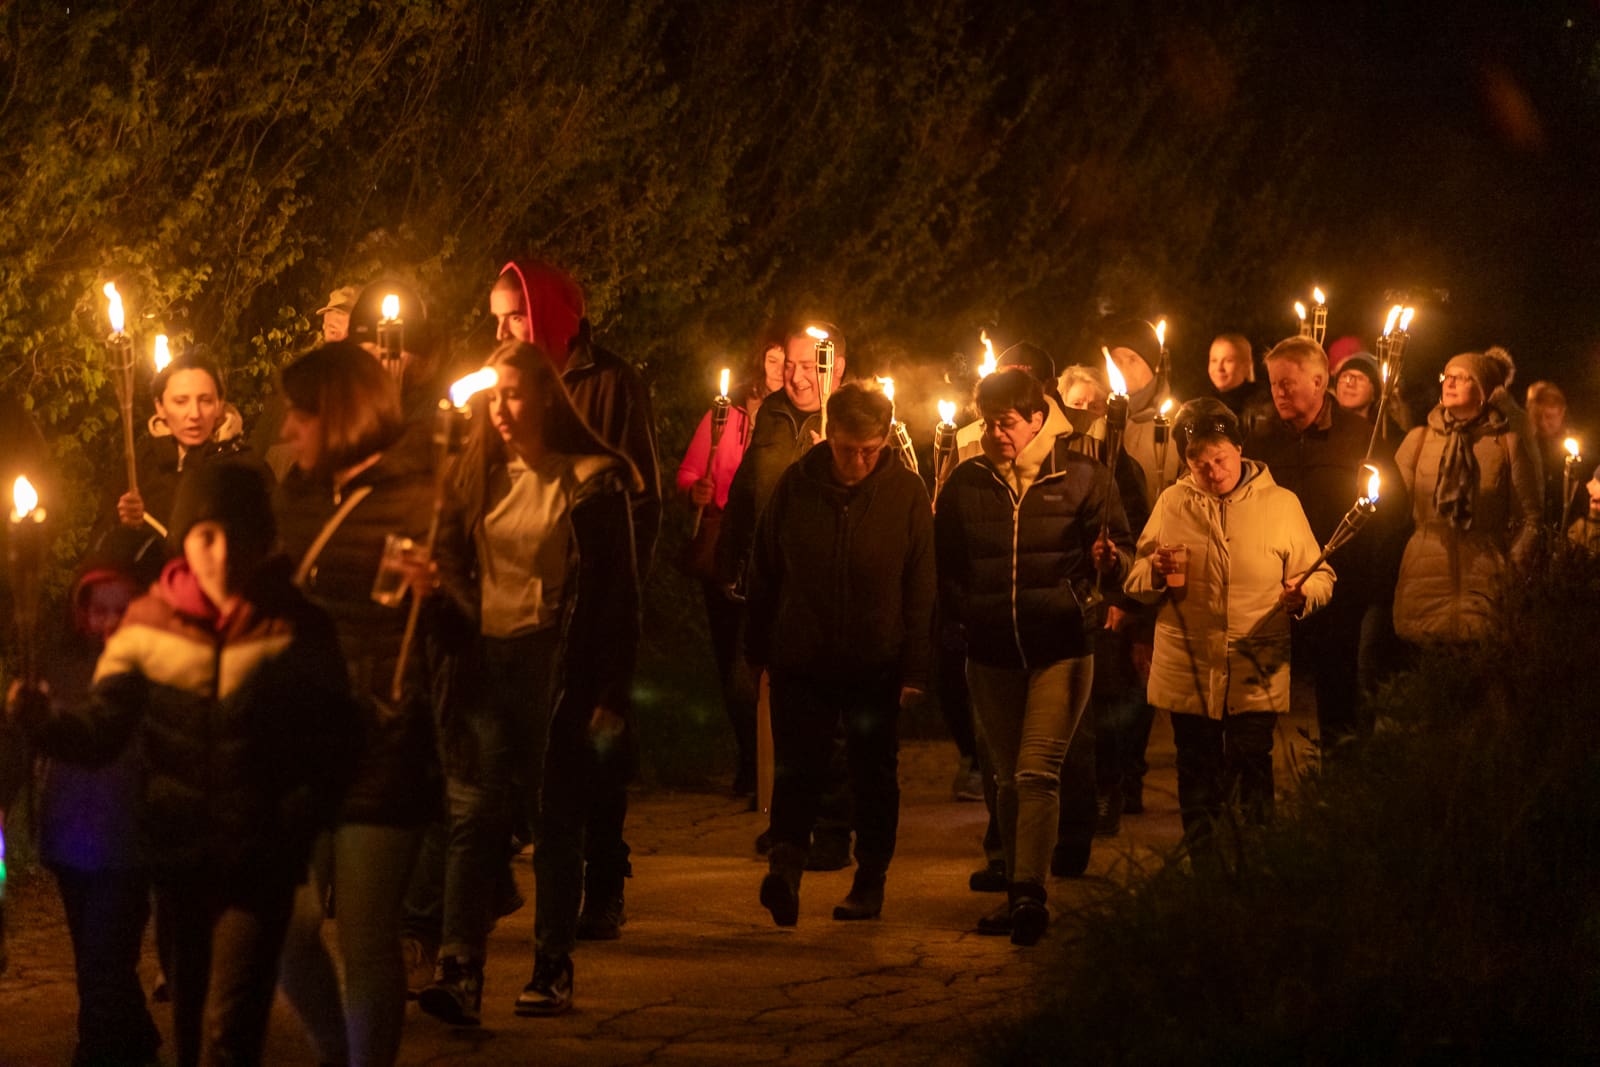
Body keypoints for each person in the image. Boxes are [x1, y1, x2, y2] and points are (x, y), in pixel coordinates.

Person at [8, 461, 357, 1067]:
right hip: (180, 860)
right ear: (184, 540)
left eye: (235, 536)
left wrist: (294, 819)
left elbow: (335, 741)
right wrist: (45, 723)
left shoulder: (296, 625)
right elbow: (102, 730)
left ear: (261, 539)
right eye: (204, 536)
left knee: (229, 1029)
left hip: (257, 865)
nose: (219, 554)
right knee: (193, 1025)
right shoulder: (148, 624)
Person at [415, 340, 641, 1019]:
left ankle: (551, 964)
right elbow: (453, 568)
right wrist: (434, 585)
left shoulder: (590, 481)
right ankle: (460, 967)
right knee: (472, 810)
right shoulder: (473, 474)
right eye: (496, 396)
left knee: (552, 814)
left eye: (515, 394)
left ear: (546, 395)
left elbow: (616, 594)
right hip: (482, 659)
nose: (503, 409)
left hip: (552, 661)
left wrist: (610, 690)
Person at [272, 342, 439, 1067]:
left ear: (336, 416)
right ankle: (338, 1049)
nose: (287, 429)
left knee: (367, 935)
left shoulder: (422, 499)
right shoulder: (296, 498)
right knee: (284, 921)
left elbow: (467, 625)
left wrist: (440, 592)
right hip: (301, 742)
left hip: (381, 744)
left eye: (300, 414)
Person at [489, 260, 658, 938]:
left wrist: (622, 584)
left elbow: (639, 493)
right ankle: (503, 873)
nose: (502, 330)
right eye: (496, 317)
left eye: (515, 315)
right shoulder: (498, 383)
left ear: (548, 315)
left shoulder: (611, 382)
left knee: (598, 742)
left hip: (593, 588)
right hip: (524, 592)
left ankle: (604, 881)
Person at [935, 369, 1132, 945]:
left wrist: (1110, 561)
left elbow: (1122, 555)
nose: (995, 434)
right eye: (988, 423)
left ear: (1037, 421)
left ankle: (1028, 894)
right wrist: (963, 615)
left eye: (1007, 423)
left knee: (1036, 772)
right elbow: (947, 563)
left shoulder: (1083, 477)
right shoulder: (966, 481)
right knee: (1005, 777)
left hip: (1061, 647)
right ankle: (1014, 886)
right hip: (991, 650)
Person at [747, 383, 934, 927]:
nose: (857, 463)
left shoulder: (905, 493)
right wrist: (756, 650)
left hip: (875, 662)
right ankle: (785, 869)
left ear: (885, 442)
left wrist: (915, 667)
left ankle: (870, 878)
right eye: (847, 449)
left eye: (869, 451)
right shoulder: (796, 485)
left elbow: (921, 584)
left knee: (873, 773)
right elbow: (765, 569)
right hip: (802, 656)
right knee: (796, 768)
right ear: (829, 437)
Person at [1125, 399, 1333, 842]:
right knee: (1196, 769)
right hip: (1188, 664)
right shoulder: (1173, 502)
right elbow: (1136, 578)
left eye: (1219, 458)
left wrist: (1303, 594)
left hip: (1255, 662)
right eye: (1198, 463)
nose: (1211, 471)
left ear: (1239, 448)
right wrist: (1155, 573)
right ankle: (1204, 863)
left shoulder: (1281, 504)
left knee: (1251, 762)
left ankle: (1255, 859)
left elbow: (1320, 574)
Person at [720, 322, 855, 869]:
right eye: (790, 365)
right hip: (775, 582)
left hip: (832, 587)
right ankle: (788, 824)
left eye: (809, 366)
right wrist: (731, 556)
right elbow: (749, 487)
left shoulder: (856, 417)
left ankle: (833, 829)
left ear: (835, 368)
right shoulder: (773, 415)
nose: (797, 377)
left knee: (830, 715)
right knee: (776, 707)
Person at [31, 563, 163, 1067]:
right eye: (98, 610)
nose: (108, 622)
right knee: (94, 957)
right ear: (81, 613)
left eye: (121, 610)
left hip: (128, 838)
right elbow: (32, 739)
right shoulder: (59, 664)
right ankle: (137, 1041)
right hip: (68, 831)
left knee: (106, 959)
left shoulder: (154, 671)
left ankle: (97, 1050)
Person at [1246, 336, 1398, 744]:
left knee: (1339, 704)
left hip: (1342, 592)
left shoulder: (1360, 438)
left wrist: (1369, 584)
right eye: (1273, 383)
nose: (1278, 392)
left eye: (1287, 383)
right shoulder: (1262, 441)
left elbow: (1390, 516)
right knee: (1258, 710)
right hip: (1276, 592)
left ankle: (1342, 775)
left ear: (1317, 381)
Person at [674, 335, 786, 795]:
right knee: (731, 658)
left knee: (767, 659)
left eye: (787, 360)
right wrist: (694, 489)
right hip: (726, 550)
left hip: (775, 551)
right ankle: (751, 759)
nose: (780, 368)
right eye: (773, 359)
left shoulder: (797, 421)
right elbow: (689, 472)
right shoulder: (726, 417)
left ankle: (777, 762)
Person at [1392, 352, 1542, 645]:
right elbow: (1391, 509)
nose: (1450, 383)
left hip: (1485, 582)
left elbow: (1530, 518)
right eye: (1448, 376)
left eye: (1463, 378)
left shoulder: (1506, 444)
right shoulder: (1417, 440)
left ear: (1483, 391)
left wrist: (1510, 567)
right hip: (1423, 581)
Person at [96, 353, 255, 586]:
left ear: (220, 405)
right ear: (160, 407)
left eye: (205, 400)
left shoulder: (245, 469)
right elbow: (99, 552)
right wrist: (123, 525)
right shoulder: (137, 464)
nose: (194, 414)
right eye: (181, 401)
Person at [1526, 380, 1578, 528]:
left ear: (1561, 412)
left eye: (1549, 417)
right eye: (1537, 416)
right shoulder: (1524, 446)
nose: (1543, 423)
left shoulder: (1575, 449)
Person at [1205, 333, 1272, 434]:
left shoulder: (1261, 408)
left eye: (1228, 361)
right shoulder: (1204, 406)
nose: (1219, 368)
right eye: (1214, 360)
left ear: (1246, 365)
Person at [1333, 352, 1384, 421]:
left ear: (1374, 393)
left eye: (1360, 379)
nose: (1350, 384)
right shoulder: (1321, 425)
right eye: (1345, 376)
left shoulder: (1382, 427)